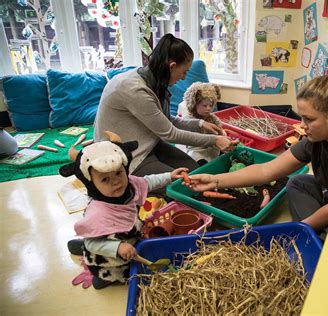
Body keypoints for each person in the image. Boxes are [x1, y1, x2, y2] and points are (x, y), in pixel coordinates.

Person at [186, 66, 328, 252]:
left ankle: (321, 238)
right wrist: (215, 180)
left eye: (309, 119)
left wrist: (289, 235)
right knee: (296, 183)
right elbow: (267, 171)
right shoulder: (320, 136)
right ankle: (320, 236)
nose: (302, 126)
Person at [93, 33, 234, 195]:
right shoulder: (135, 89)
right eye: (184, 72)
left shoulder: (154, 82)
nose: (184, 77)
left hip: (148, 144)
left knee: (196, 172)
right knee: (184, 189)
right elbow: (170, 134)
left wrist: (200, 124)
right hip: (128, 157)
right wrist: (215, 140)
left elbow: (167, 121)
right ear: (172, 66)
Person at [60, 132, 189, 289]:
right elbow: (92, 242)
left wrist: (169, 176)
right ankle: (102, 276)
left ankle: (84, 247)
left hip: (129, 235)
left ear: (125, 168)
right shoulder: (98, 212)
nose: (116, 182)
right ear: (91, 183)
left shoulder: (130, 186)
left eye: (119, 173)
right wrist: (117, 247)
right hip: (113, 253)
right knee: (100, 255)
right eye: (105, 179)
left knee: (108, 242)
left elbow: (148, 182)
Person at [176, 82, 223, 165]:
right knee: (196, 159)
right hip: (196, 151)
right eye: (204, 106)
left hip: (212, 149)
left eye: (211, 105)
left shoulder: (212, 118)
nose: (208, 108)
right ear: (194, 104)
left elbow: (220, 131)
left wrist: (222, 135)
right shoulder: (188, 120)